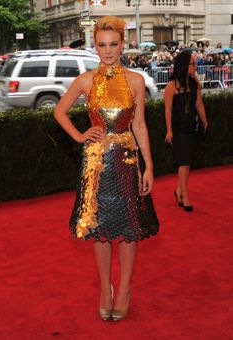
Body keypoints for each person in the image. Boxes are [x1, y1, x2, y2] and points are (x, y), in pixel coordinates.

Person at [54, 16, 159, 321]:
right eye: (102, 45)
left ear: (123, 44)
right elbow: (60, 111)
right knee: (99, 230)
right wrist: (79, 135)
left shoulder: (136, 80)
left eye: (114, 44)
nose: (108, 50)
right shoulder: (86, 80)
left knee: (129, 230)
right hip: (97, 163)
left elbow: (139, 125)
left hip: (127, 161)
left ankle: (124, 288)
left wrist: (149, 166)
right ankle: (105, 289)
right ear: (95, 45)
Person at [164, 51, 208, 211]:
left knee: (187, 163)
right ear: (184, 66)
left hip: (191, 127)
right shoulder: (171, 86)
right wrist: (169, 131)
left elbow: (199, 105)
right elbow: (168, 110)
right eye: (193, 64)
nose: (196, 67)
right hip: (178, 130)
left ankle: (178, 190)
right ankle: (184, 195)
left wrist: (205, 121)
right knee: (184, 163)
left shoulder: (195, 83)